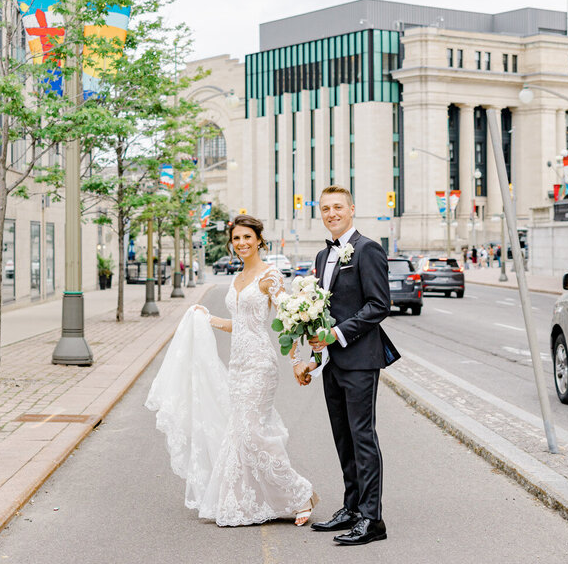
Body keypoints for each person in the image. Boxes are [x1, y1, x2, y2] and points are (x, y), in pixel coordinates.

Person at [146, 214, 318, 527]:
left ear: (259, 241)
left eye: (247, 238)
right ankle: (245, 501)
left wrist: (296, 361)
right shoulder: (238, 278)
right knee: (240, 433)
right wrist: (207, 318)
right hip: (238, 366)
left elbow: (289, 323)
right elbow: (237, 325)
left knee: (253, 432)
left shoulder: (269, 276)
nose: (241, 244)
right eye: (236, 239)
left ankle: (300, 494)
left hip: (260, 365)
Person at [303, 185, 399, 546]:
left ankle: (373, 519)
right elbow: (319, 313)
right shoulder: (320, 256)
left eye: (338, 207)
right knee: (343, 437)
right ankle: (352, 508)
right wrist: (315, 352)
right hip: (332, 361)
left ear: (352, 209)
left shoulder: (368, 249)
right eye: (326, 208)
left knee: (362, 436)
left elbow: (378, 305)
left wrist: (337, 335)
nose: (332, 213)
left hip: (359, 359)